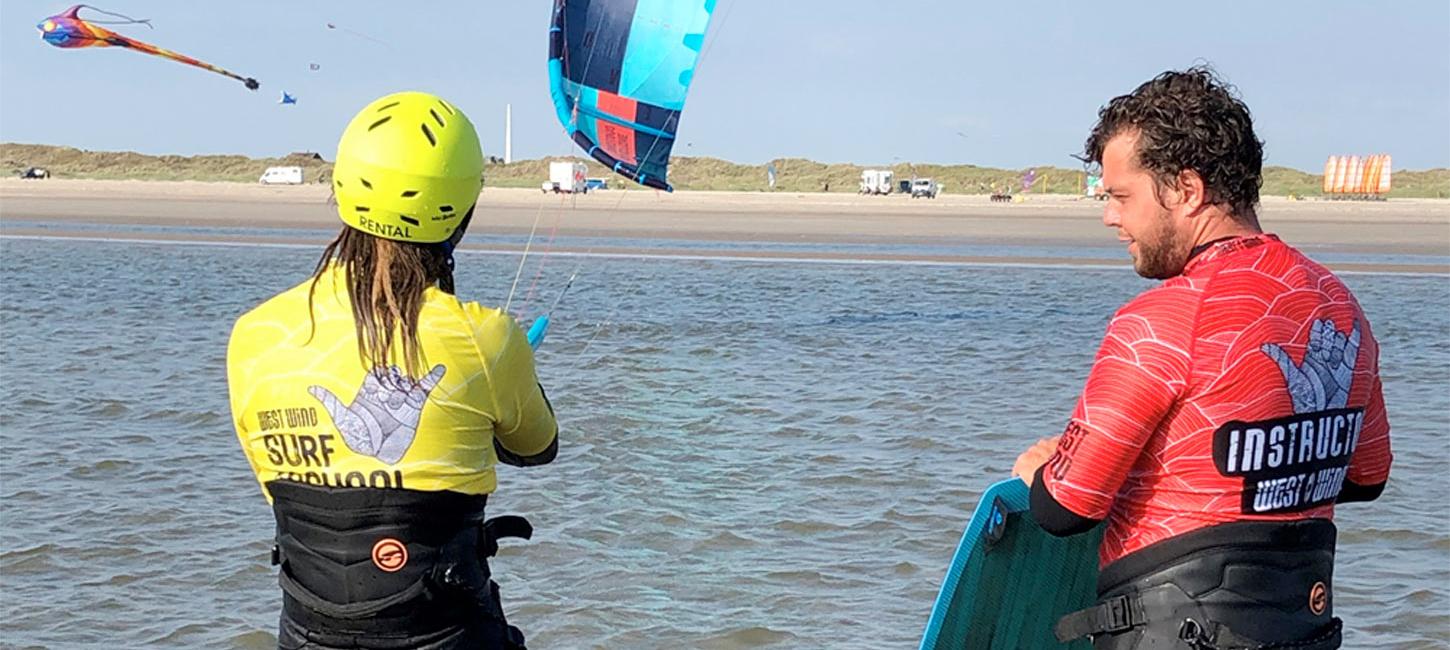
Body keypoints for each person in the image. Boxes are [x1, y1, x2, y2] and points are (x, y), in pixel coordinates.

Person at [1011, 68, 1392, 649]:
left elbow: (1068, 507)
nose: (1110, 218)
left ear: (1186, 190)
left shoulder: (1162, 321)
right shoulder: (1339, 304)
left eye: (1120, 197)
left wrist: (1041, 471)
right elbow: (1366, 478)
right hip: (1302, 629)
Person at [227, 91, 558, 649]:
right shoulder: (487, 337)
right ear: (463, 210)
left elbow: (285, 493)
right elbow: (537, 446)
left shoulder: (254, 335)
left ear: (341, 190)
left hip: (309, 634)